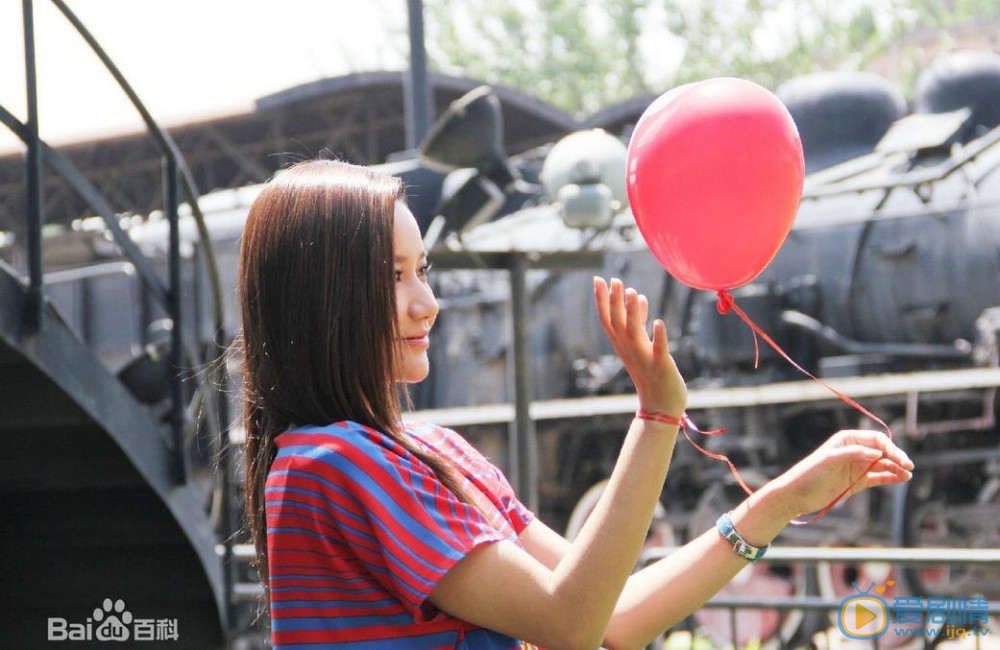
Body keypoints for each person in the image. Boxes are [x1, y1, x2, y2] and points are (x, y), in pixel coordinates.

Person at [238, 159, 914, 650]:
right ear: (323, 298)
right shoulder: (335, 463)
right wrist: (656, 418)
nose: (427, 303)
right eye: (392, 276)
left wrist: (779, 503)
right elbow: (572, 624)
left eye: (423, 270)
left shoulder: (433, 452)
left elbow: (614, 619)